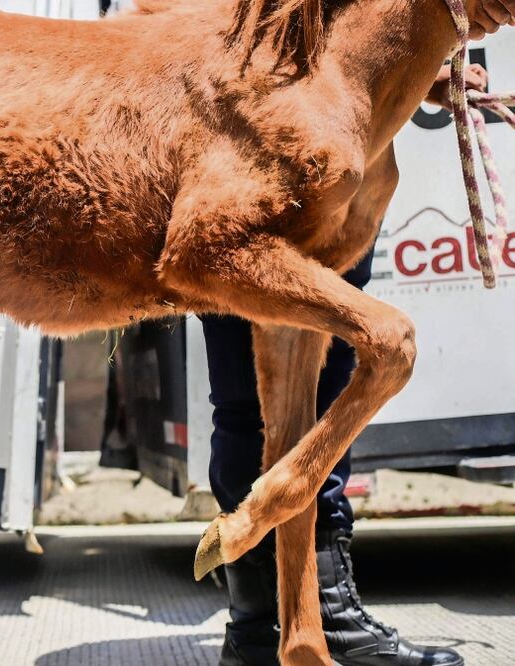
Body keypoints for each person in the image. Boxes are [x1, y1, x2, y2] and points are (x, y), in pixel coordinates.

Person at [204, 58, 502, 666]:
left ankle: (284, 620)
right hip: (249, 168)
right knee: (260, 406)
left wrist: (423, 75)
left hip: (331, 171)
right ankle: (283, 620)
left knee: (309, 400)